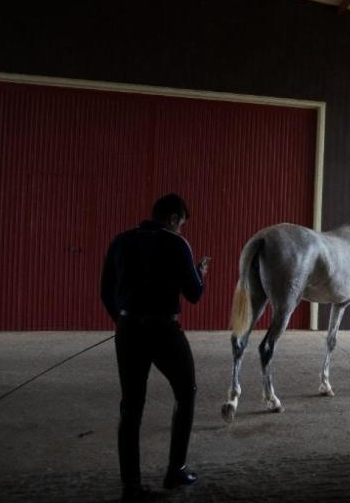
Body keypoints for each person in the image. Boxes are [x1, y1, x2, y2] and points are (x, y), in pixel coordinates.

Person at [100, 193, 211, 502]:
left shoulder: (120, 241)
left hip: (128, 330)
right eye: (182, 224)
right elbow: (194, 294)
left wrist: (123, 320)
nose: (181, 230)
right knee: (186, 392)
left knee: (131, 406)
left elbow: (105, 291)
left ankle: (131, 487)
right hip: (164, 330)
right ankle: (175, 469)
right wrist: (201, 272)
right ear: (173, 218)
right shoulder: (177, 244)